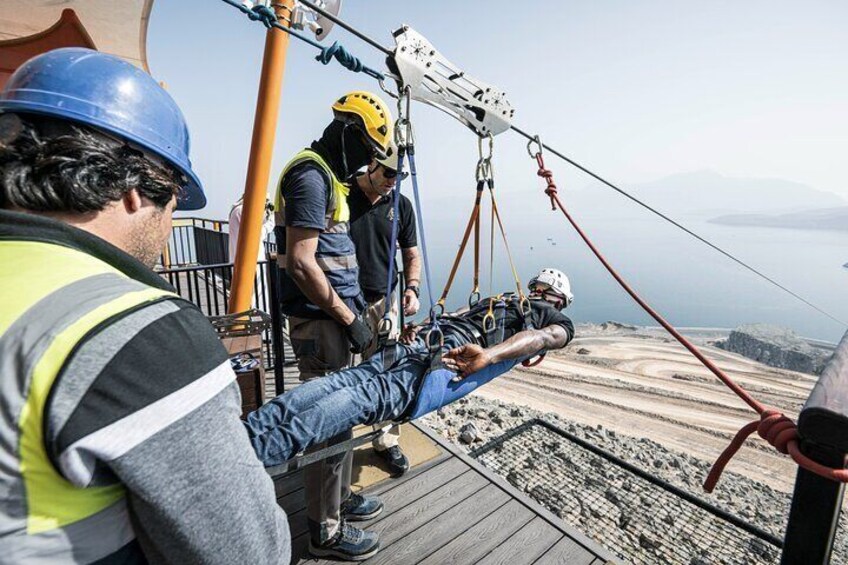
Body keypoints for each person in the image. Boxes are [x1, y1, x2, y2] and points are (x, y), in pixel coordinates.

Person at [0, 48, 289, 563]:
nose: (172, 222)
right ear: (137, 188)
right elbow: (249, 552)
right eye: (175, 200)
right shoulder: (141, 332)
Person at [245, 267, 575, 468]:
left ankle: (251, 431)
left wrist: (425, 326)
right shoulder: (550, 316)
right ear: (559, 299)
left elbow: (466, 315)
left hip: (432, 342)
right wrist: (488, 355)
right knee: (362, 397)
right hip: (447, 356)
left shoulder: (505, 300)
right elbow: (543, 337)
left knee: (347, 383)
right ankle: (256, 451)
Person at [273, 91, 393, 560]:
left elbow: (332, 258)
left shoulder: (329, 180)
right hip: (322, 325)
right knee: (329, 423)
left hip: (335, 321)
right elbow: (303, 264)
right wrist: (349, 319)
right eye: (366, 150)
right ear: (347, 133)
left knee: (343, 418)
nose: (366, 163)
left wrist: (357, 314)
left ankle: (339, 501)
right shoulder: (310, 177)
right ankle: (325, 530)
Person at [349, 143, 421, 475]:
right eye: (389, 173)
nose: (394, 180)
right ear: (372, 164)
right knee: (340, 376)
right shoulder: (343, 196)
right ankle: (336, 448)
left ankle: (386, 441)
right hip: (343, 302)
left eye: (400, 175)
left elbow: (411, 253)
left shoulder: (401, 204)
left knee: (386, 372)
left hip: (383, 300)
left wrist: (412, 287)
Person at [228, 194, 275, 262]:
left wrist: (266, 215)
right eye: (265, 201)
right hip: (247, 262)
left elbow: (255, 224)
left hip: (243, 260)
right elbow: (257, 234)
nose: (265, 204)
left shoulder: (240, 209)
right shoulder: (243, 211)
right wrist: (271, 222)